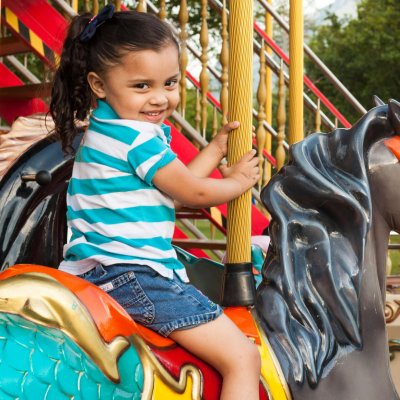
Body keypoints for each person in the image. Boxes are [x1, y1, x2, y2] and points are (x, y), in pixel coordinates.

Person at [50, 5, 261, 399]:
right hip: (138, 277)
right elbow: (191, 193)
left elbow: (171, 185)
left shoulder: (105, 131)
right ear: (99, 85)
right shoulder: (139, 138)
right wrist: (239, 184)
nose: (160, 98)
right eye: (142, 86)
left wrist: (214, 153)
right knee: (243, 357)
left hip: (94, 274)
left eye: (170, 82)